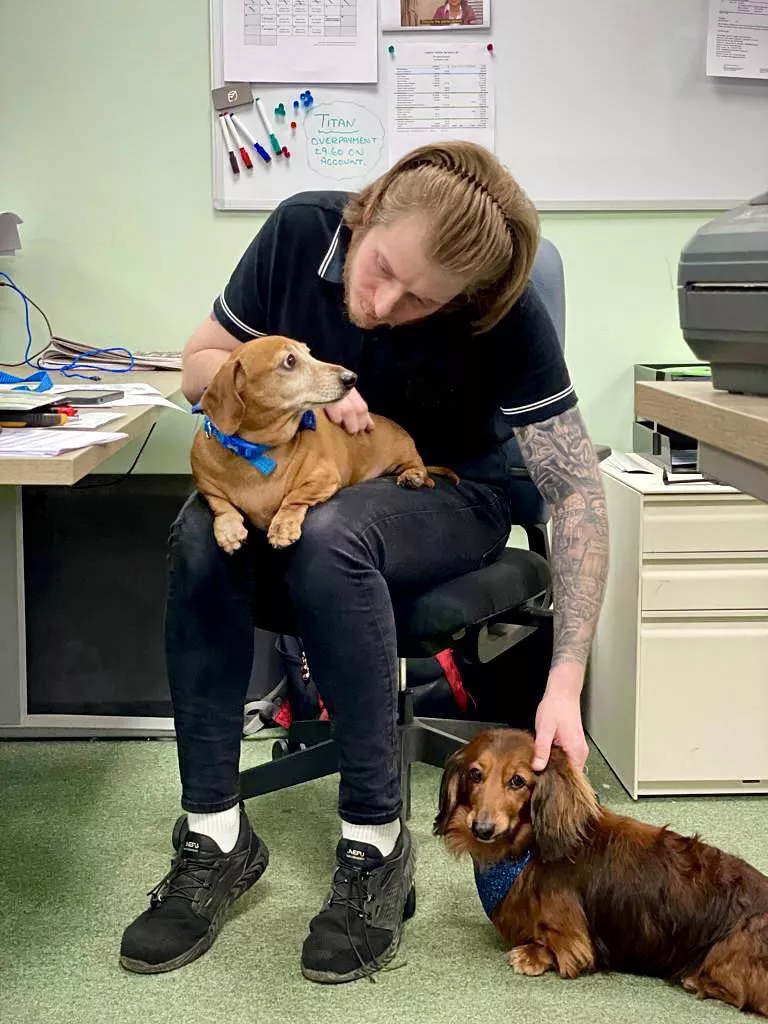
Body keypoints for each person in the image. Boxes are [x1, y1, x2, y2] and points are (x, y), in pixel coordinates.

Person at [120, 141, 609, 983]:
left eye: (420, 299)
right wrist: (303, 389)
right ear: (368, 212)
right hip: (313, 477)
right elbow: (198, 365)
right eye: (381, 268)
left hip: (453, 494)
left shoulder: (503, 307)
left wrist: (564, 682)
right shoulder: (298, 231)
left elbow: (575, 495)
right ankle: (214, 833)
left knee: (329, 532)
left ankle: (376, 843)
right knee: (200, 531)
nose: (382, 305)